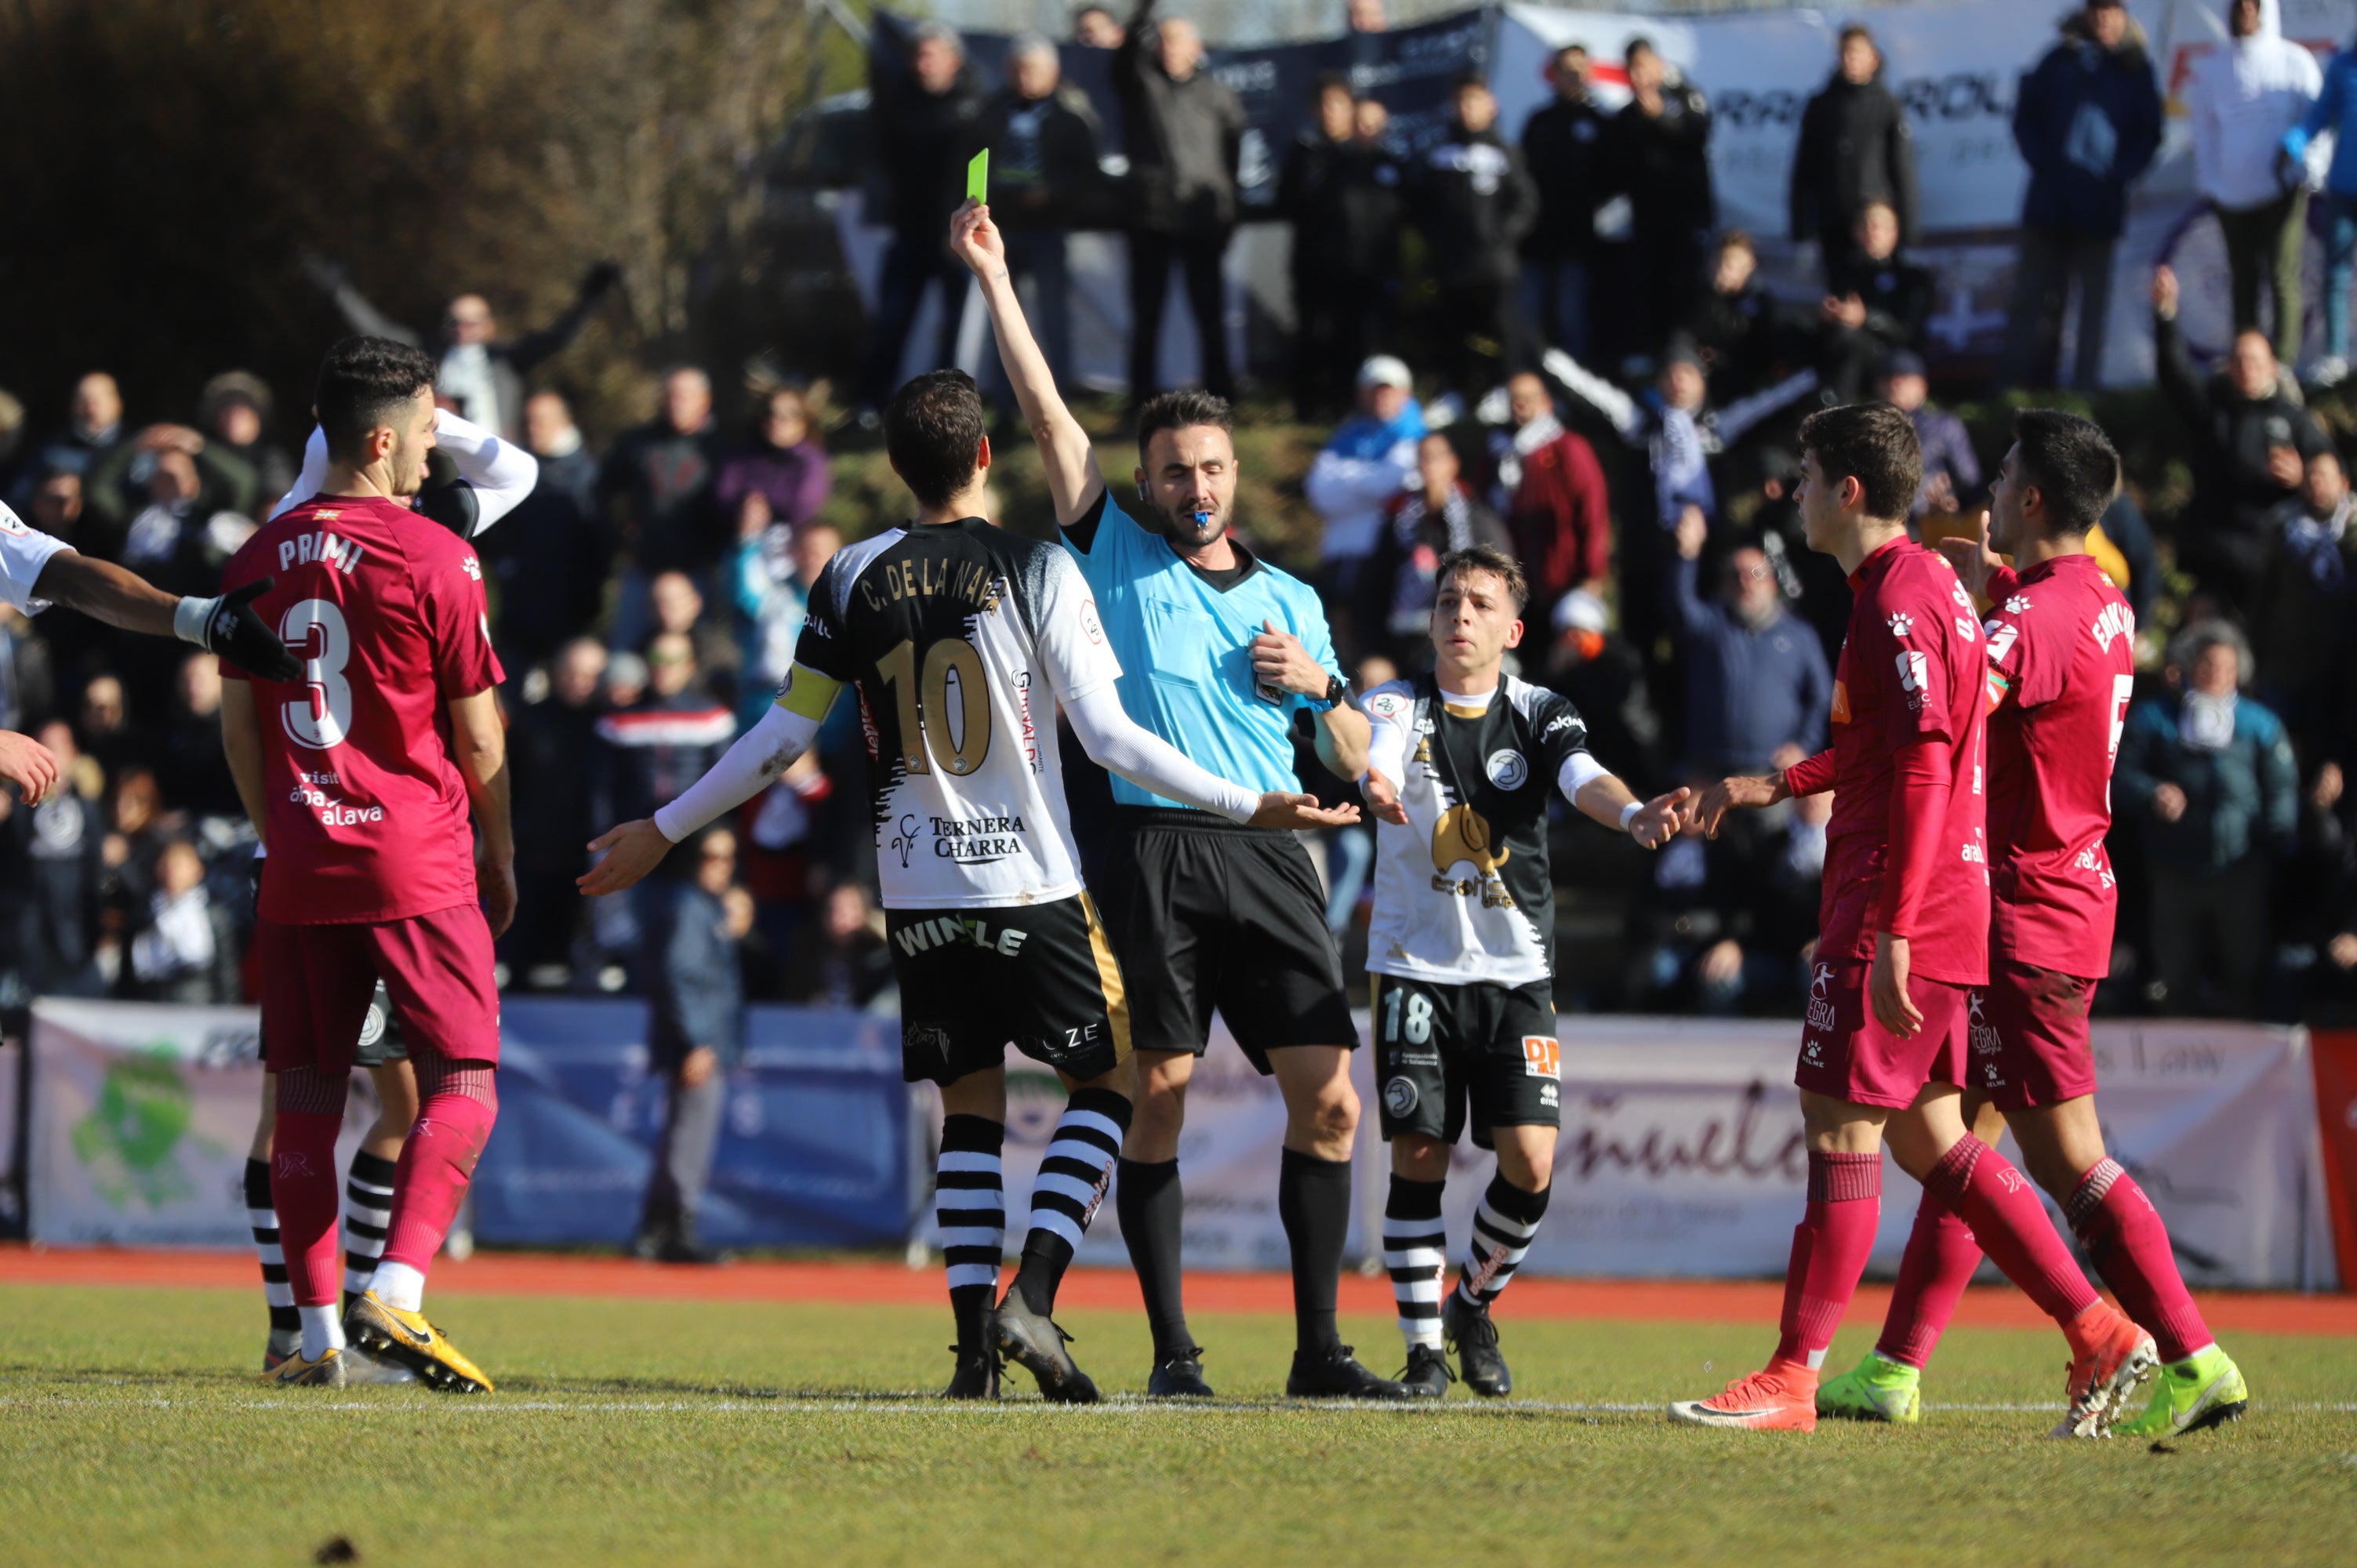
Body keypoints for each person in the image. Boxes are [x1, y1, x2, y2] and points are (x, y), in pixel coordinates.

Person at [577, 363, 1355, 1403]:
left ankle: (971, 1361)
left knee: (969, 1116)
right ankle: (1030, 1289)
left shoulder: (848, 574)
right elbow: (1112, 735)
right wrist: (1246, 801)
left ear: (897, 468)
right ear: (985, 457)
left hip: (918, 894)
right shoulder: (1038, 567)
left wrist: (663, 829)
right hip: (1029, 883)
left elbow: (778, 739)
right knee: (1111, 1086)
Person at [955, 197, 1409, 1401]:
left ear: (1233, 472)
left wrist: (1321, 689)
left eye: (1209, 467)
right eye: (1173, 470)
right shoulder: (1105, 546)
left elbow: (1360, 751)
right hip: (1149, 852)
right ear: (1146, 481)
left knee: (1331, 1102)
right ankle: (1173, 1357)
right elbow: (1049, 416)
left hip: (1274, 854)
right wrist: (998, 280)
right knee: (1153, 1093)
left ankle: (1317, 1353)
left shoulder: (1299, 603)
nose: (1193, 485)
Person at [1673, 402, 2158, 1435]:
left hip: (1904, 904)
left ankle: (1792, 1374)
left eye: (1803, 476)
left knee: (1841, 1125)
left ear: (1847, 490)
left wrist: (1891, 931)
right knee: (1931, 1140)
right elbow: (1895, 744)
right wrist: (1763, 787)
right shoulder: (1926, 583)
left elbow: (1928, 760)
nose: (1791, 494)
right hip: (1943, 902)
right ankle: (2098, 1329)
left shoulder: (1895, 597)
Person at [1810, 410, 2250, 1437]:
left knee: (2052, 1158)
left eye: (2001, 476)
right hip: (2061, 895)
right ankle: (1893, 1365)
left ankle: (2188, 1352)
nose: (1988, 492)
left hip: (2016, 904)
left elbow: (1959, 706)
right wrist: (1991, 592)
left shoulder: (2030, 621)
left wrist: (1947, 613)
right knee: (1968, 1139)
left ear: (2033, 499)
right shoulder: (2098, 600)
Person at [216, 336, 512, 1392]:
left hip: (298, 859)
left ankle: (318, 1336)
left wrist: (278, 834)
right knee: (465, 1081)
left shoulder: (256, 555)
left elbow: (243, 735)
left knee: (304, 1095)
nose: (435, 459)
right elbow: (480, 743)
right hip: (416, 861)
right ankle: (400, 1290)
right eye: (430, 435)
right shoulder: (439, 557)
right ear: (381, 439)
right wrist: (504, 853)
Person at [1360, 546, 1683, 1396]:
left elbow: (1583, 777)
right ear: (1430, 620)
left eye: (1478, 603)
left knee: (1531, 1162)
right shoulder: (1396, 701)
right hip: (1415, 967)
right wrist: (1377, 778)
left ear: (1513, 629)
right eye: (1446, 601)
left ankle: (1474, 1302)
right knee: (1419, 1152)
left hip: (1515, 972)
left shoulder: (1541, 709)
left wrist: (1634, 812)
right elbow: (1380, 753)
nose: (1459, 615)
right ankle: (1425, 1351)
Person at [2115, 621, 2299, 1016]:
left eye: (2225, 669)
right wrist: (2153, 792)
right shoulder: (2155, 719)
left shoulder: (2260, 724)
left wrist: (2275, 846)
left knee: (2244, 968)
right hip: (2174, 870)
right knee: (2175, 971)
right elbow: (2119, 774)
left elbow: (2281, 790)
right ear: (2187, 667)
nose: (2215, 676)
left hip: (2240, 869)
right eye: (2206, 666)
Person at [2004, 0, 2163, 391]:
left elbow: (2148, 134)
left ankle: (2085, 388)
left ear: (2124, 16)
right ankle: (2013, 385)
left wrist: (2116, 175)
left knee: (2092, 306)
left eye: (2111, 11)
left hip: (2100, 206)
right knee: (2030, 297)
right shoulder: (2057, 60)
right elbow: (2025, 120)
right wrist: (2045, 163)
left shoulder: (2135, 68)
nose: (2103, 19)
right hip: (2048, 203)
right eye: (2097, 10)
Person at [2152, 263, 2328, 608]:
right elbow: (2176, 376)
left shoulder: (2293, 418)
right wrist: (2166, 316)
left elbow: (2330, 473)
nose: (2247, 368)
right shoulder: (2213, 408)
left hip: (2272, 554)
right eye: (2240, 360)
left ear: (2273, 367)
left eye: (2255, 361)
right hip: (2212, 552)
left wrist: (2302, 479)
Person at [306, 259, 621, 443]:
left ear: (489, 326)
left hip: (495, 459)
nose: (464, 330)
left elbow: (556, 339)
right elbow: (377, 330)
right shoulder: (429, 356)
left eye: (473, 323)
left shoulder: (504, 361)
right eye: (456, 322)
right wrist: (340, 292)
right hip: (441, 465)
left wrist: (589, 300)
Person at [1114, 0, 1247, 403]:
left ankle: (1221, 395)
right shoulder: (1142, 85)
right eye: (1162, 40)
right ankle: (1140, 400)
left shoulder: (1217, 94)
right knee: (1147, 316)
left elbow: (1234, 151)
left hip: (1202, 220)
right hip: (1151, 219)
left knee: (1209, 314)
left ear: (1196, 47)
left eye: (1176, 40)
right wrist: (1142, 12)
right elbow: (1121, 62)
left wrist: (1226, 205)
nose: (1168, 48)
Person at [631, 826, 750, 1265]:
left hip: (704, 1040)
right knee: (690, 1138)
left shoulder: (704, 907)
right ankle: (676, 1231)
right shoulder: (688, 908)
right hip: (697, 1044)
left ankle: (653, 1230)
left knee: (682, 1135)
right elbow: (680, 976)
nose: (723, 867)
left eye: (729, 858)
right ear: (694, 860)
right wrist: (697, 1042)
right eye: (713, 857)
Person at [2187, 0, 2321, 368]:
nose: (2246, 14)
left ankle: (2282, 367)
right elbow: (2204, 132)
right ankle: (2245, 366)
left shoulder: (2295, 60)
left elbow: (2316, 121)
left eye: (2254, 6)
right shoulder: (2213, 69)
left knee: (2282, 275)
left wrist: (2308, 169)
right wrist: (2212, 184)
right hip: (2230, 194)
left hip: (2284, 191)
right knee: (2242, 279)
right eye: (2239, 7)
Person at [975, 35, 1103, 413]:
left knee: (1053, 319)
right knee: (1000, 319)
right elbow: (966, 165)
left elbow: (1087, 175)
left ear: (1053, 73)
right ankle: (1004, 405)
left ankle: (1056, 402)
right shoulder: (991, 114)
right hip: (1001, 231)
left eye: (1033, 70)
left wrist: (1053, 193)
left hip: (1048, 230)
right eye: (1017, 70)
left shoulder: (1070, 118)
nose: (1024, 78)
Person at [1665, 506, 1831, 779]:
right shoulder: (1711, 626)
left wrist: (1804, 746)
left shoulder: (1800, 635)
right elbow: (1678, 606)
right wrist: (1687, 555)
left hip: (1773, 776)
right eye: (1734, 575)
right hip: (1709, 775)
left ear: (1773, 583)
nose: (1745, 583)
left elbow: (1822, 697)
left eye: (1755, 574)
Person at [1280, 74, 1404, 419]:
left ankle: (1344, 404)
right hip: (1312, 265)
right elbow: (1286, 203)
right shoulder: (1304, 153)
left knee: (1351, 339)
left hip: (1357, 270)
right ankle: (1306, 407)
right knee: (1310, 336)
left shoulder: (1365, 157)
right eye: (1323, 105)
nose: (1330, 113)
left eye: (1338, 105)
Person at [1413, 73, 1538, 394]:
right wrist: (1440, 240)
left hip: (1496, 264)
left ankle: (1503, 391)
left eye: (1474, 101)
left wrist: (1501, 236)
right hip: (1452, 264)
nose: (1467, 109)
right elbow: (1421, 206)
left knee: (1503, 329)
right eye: (1461, 102)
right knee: (1453, 328)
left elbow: (1525, 202)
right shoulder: (1438, 154)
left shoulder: (1506, 152)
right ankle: (1455, 392)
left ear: (1490, 105)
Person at [1359, 431, 1513, 670]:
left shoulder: (1479, 522)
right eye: (1422, 458)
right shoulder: (1399, 522)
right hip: (1404, 638)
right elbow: (1374, 587)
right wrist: (1373, 653)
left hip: (1465, 638)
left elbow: (1503, 589)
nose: (1428, 466)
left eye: (1436, 457)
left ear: (1454, 464)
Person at [507, 638, 608, 986]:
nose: (579, 682)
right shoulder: (527, 720)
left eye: (590, 675)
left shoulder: (611, 725)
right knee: (521, 955)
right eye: (570, 673)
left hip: (590, 857)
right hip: (530, 854)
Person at [598, 367, 725, 646]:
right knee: (625, 653)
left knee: (696, 652)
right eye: (670, 394)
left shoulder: (719, 448)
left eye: (684, 396)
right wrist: (619, 536)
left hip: (697, 573)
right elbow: (602, 490)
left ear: (705, 399)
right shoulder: (637, 443)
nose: (675, 402)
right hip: (643, 568)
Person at [1614, 40, 1716, 358]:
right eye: (1633, 69)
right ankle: (1651, 361)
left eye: (1644, 66)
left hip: (1688, 219)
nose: (1639, 75)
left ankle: (1686, 361)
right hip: (1646, 221)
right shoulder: (1627, 115)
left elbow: (1696, 136)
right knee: (1647, 292)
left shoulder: (1687, 97)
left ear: (1659, 64)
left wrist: (1660, 118)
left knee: (1687, 292)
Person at [1790, 24, 1917, 281]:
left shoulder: (1887, 105)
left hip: (1875, 222)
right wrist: (1801, 223)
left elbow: (1902, 168)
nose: (1851, 60)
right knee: (1840, 292)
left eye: (1857, 53)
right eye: (1845, 53)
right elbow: (1804, 168)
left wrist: (1908, 226)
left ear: (1873, 57)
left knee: (1877, 291)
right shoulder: (1821, 105)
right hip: (1833, 218)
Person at [1489, 371, 1612, 629]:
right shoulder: (1497, 453)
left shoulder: (1569, 449)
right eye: (1514, 399)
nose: (1520, 405)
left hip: (1563, 579)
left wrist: (1593, 572)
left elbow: (1593, 510)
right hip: (1514, 583)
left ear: (1546, 403)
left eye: (1528, 398)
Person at [1305, 356, 1425, 612]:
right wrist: (1368, 482)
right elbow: (1318, 490)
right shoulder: (1348, 433)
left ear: (1405, 393)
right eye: (1373, 390)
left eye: (1388, 390)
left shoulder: (1416, 436)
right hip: (1340, 550)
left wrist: (1345, 476)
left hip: (1387, 555)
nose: (1380, 397)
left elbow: (1390, 482)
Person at [1520, 45, 1614, 361]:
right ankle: (1528, 381)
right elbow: (1523, 178)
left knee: (1570, 315)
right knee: (1529, 315)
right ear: (1554, 75)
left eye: (1579, 69)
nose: (1573, 77)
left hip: (1578, 240)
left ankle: (1574, 389)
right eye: (1566, 70)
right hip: (1535, 239)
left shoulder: (1599, 122)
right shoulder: (1539, 121)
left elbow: (1611, 179)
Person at [2289, 27, 2357, 384]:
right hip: (2344, 190)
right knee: (2335, 275)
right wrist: (2292, 143)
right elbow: (2319, 116)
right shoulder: (2343, 65)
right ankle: (2335, 356)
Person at [1818, 201, 1932, 401]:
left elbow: (1908, 332)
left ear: (1894, 232)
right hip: (1848, 350)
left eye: (1879, 225)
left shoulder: (1913, 279)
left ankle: (1840, 412)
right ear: (1855, 231)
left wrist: (1866, 317)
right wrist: (1829, 317)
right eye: (1865, 225)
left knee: (1848, 338)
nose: (1872, 231)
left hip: (1892, 354)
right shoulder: (1845, 275)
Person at [1876, 351, 1980, 520]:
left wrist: (1951, 493)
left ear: (1922, 385)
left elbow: (1969, 478)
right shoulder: (1870, 428)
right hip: (1882, 522)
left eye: (1904, 379)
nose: (1895, 385)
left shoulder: (1944, 425)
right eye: (1888, 380)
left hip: (1929, 520)